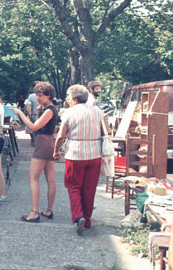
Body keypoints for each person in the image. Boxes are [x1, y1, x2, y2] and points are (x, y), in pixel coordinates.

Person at [53, 84, 106, 235]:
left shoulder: (69, 113)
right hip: (94, 154)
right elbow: (104, 131)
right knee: (89, 188)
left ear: (75, 99)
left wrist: (56, 151)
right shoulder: (97, 111)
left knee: (73, 186)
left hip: (75, 154)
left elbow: (62, 135)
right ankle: (87, 220)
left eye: (68, 97)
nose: (67, 100)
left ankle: (78, 216)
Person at [13, 82, 59, 223]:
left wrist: (20, 113)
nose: (38, 98)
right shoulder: (49, 109)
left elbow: (33, 127)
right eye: (37, 95)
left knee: (33, 178)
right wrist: (39, 112)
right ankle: (48, 210)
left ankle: (34, 212)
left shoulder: (49, 110)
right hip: (49, 143)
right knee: (50, 179)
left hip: (43, 144)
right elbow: (39, 124)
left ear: (48, 95)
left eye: (41, 96)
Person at [24, 81, 39, 146]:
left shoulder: (31, 96)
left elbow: (27, 108)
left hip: (33, 115)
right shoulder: (44, 96)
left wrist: (30, 116)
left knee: (32, 130)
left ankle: (34, 142)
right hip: (42, 115)